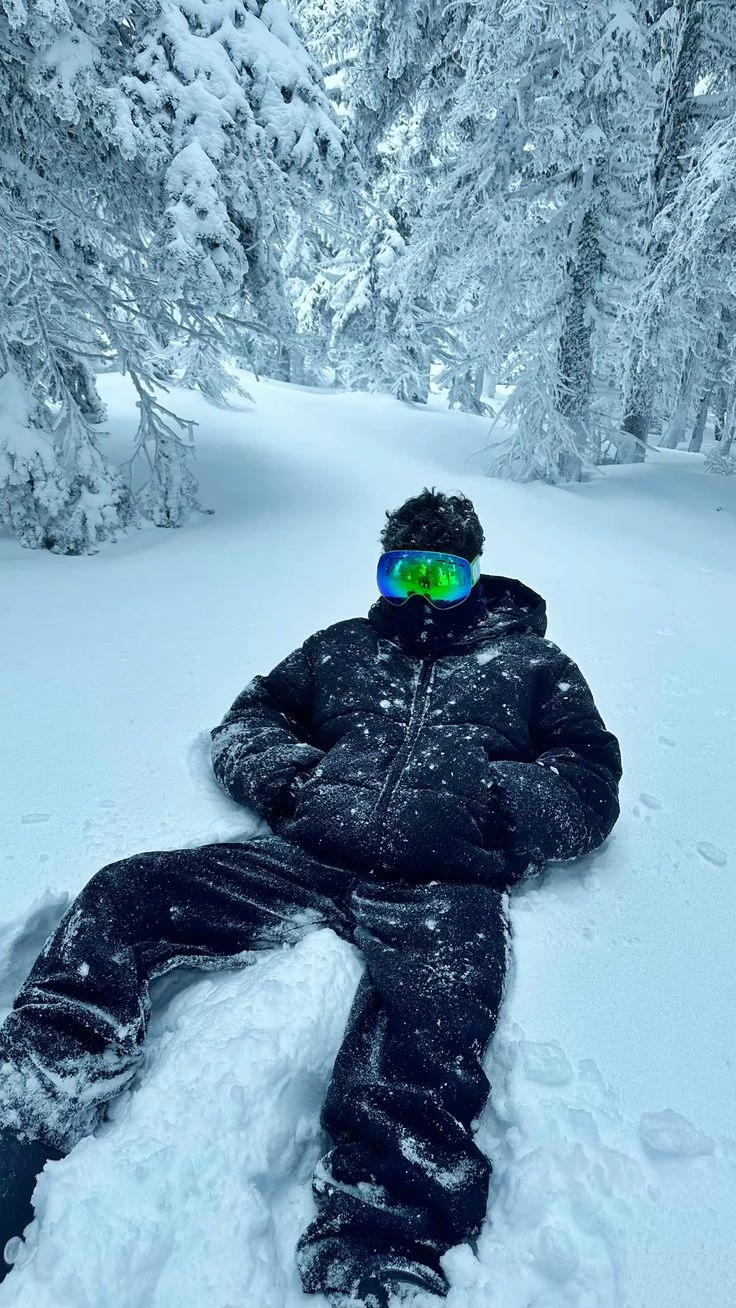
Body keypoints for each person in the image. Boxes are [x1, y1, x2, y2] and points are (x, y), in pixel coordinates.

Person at [0, 488, 622, 1307]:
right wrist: (295, 782)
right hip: (309, 857)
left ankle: (381, 1246)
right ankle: (47, 1083)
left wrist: (496, 804)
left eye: (440, 576)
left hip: (445, 885)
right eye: (403, 573)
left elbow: (588, 779)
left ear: (472, 575)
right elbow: (248, 721)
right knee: (126, 895)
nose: (420, 595)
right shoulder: (341, 650)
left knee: (429, 1033)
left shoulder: (534, 668)